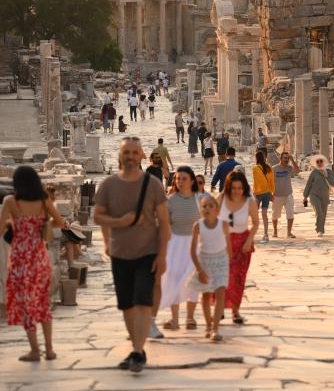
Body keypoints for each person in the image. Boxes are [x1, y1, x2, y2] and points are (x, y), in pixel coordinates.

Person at [94, 137, 170, 374]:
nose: (130, 156)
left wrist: (162, 255)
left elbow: (164, 222)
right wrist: (116, 227)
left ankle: (137, 351)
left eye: (134, 152)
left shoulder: (153, 184)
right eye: (126, 152)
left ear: (141, 156)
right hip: (120, 252)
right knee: (127, 305)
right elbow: (98, 216)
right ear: (120, 156)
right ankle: (138, 348)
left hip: (147, 252)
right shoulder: (108, 184)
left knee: (143, 301)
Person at [0, 165, 65, 361]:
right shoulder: (44, 200)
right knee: (43, 301)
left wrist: (12, 224)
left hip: (20, 260)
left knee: (25, 304)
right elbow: (60, 222)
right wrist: (42, 224)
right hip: (40, 258)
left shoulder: (10, 202)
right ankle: (49, 349)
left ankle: (35, 350)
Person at [159, 166, 201, 333]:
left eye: (184, 178)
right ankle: (175, 319)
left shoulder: (200, 199)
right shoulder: (170, 201)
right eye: (177, 179)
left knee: (193, 280)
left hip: (195, 244)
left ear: (192, 180)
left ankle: (190, 317)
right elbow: (165, 225)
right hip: (175, 244)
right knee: (173, 279)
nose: (180, 182)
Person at [218, 170, 258, 325]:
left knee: (238, 278)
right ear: (229, 187)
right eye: (233, 188)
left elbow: (256, 223)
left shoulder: (249, 201)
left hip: (242, 243)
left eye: (240, 188)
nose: (236, 191)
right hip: (222, 242)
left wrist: (249, 241)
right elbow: (210, 218)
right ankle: (220, 308)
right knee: (222, 276)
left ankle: (235, 311)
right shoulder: (221, 199)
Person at [189, 194, 231, 342]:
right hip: (205, 261)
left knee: (220, 293)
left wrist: (228, 263)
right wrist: (199, 270)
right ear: (200, 210)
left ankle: (215, 328)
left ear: (217, 210)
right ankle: (208, 325)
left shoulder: (223, 224)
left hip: (221, 261)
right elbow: (192, 251)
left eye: (210, 206)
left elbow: (228, 246)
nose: (207, 208)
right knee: (206, 295)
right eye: (204, 206)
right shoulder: (197, 226)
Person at [302, 155, 334, 237]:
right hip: (314, 195)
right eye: (318, 162)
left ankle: (321, 229)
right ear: (316, 163)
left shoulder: (328, 171)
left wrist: (326, 176)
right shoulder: (314, 172)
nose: (319, 163)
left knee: (323, 214)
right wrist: (305, 196)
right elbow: (309, 184)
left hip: (325, 196)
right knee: (319, 213)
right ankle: (319, 230)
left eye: (321, 161)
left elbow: (333, 182)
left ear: (323, 162)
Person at [271, 151, 299, 239]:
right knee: (275, 215)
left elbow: (298, 171)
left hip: (288, 195)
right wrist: (270, 194)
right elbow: (270, 181)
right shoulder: (274, 168)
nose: (286, 160)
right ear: (281, 158)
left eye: (288, 158)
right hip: (277, 195)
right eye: (285, 158)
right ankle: (275, 231)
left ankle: (289, 232)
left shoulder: (289, 168)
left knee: (290, 214)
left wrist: (293, 160)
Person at [251, 150, 275, 243]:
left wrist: (254, 194)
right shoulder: (269, 167)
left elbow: (256, 182)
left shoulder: (255, 168)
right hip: (267, 193)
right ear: (264, 158)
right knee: (264, 214)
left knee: (254, 214)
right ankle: (266, 234)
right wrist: (272, 193)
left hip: (258, 194)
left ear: (256, 158)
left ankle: (253, 233)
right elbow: (272, 181)